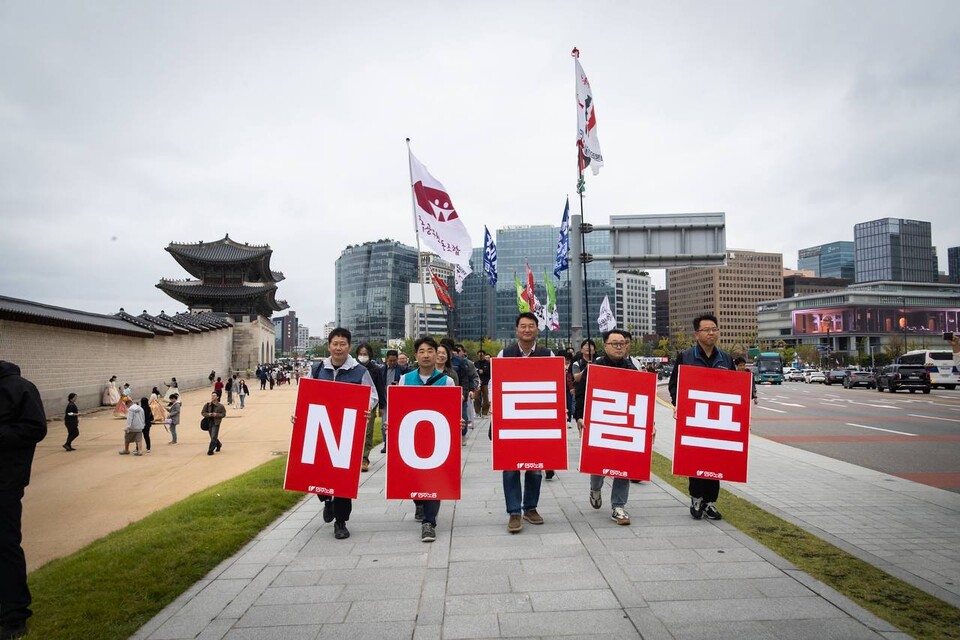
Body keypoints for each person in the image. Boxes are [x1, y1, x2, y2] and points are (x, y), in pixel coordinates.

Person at [306, 328, 378, 540]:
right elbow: (306, 394)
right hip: (322, 430)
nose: (338, 348)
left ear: (349, 346)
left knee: (343, 478)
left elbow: (372, 395)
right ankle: (326, 499)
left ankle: (341, 521)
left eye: (343, 344)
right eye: (335, 344)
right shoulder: (318, 369)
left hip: (348, 431)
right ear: (329, 346)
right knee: (321, 473)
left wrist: (367, 407)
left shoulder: (358, 371)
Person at [668, 313, 736, 521]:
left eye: (714, 329)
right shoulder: (686, 357)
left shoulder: (726, 359)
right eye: (707, 330)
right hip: (694, 417)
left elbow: (735, 388)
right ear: (697, 334)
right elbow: (674, 384)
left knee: (715, 459)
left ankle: (711, 502)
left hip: (718, 418)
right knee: (695, 457)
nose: (711, 333)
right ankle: (696, 498)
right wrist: (678, 404)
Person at [0, 361, 47, 640]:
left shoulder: (19, 387)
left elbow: (35, 429)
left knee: (5, 545)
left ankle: (14, 614)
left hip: (5, 481)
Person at [496, 312, 553, 533]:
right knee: (510, 467)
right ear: (516, 330)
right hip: (511, 418)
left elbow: (555, 385)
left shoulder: (547, 355)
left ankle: (530, 508)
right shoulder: (505, 354)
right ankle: (513, 512)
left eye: (531, 326)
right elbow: (496, 384)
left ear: (537, 329)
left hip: (537, 419)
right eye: (523, 326)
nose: (527, 330)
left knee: (535, 468)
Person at [575, 328, 638, 526]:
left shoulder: (632, 369)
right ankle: (595, 487)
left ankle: (618, 506)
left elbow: (641, 397)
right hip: (599, 421)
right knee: (599, 461)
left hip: (624, 424)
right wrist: (579, 417)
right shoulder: (595, 368)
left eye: (623, 343)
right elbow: (580, 394)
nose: (619, 346)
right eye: (615, 343)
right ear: (605, 345)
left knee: (623, 464)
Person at [399, 336, 459, 542]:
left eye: (430, 351)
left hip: (437, 440)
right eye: (421, 351)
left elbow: (452, 412)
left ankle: (429, 522)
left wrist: (456, 422)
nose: (426, 355)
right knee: (416, 482)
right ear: (415, 355)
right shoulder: (406, 380)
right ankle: (419, 503)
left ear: (438, 355)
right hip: (413, 440)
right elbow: (400, 410)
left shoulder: (447, 381)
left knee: (435, 480)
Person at [357, 343, 385, 472]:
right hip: (355, 403)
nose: (362, 356)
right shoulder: (353, 368)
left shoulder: (376, 370)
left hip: (370, 404)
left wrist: (381, 406)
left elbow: (380, 388)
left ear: (370, 355)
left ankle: (364, 458)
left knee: (368, 431)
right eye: (360, 354)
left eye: (365, 354)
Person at [201, 392, 226, 456]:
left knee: (214, 436)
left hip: (216, 422)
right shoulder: (207, 405)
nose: (213, 397)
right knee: (212, 436)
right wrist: (208, 414)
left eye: (214, 396)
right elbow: (203, 412)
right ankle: (218, 444)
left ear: (217, 397)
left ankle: (210, 450)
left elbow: (223, 414)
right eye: (212, 396)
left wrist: (216, 415)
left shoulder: (220, 406)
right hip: (209, 422)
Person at [474, 350, 491, 417]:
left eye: (482, 355)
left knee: (486, 397)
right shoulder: (475, 363)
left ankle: (485, 412)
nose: (480, 357)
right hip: (478, 382)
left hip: (486, 382)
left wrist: (483, 371)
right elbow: (474, 372)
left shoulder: (488, 363)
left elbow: (490, 373)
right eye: (479, 355)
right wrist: (478, 372)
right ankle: (477, 411)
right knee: (476, 398)